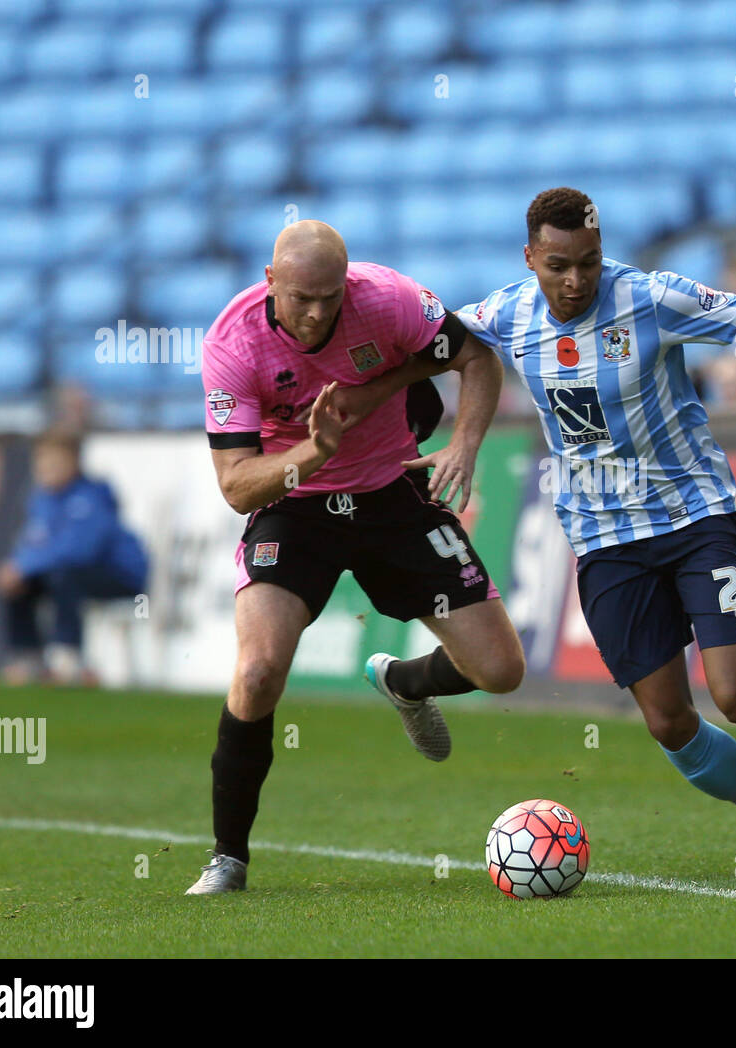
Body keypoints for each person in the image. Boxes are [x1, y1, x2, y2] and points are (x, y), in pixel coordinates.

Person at [336, 188, 736, 872]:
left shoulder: (652, 298)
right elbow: (422, 354)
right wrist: (350, 407)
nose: (575, 280)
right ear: (530, 257)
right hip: (604, 543)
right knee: (669, 721)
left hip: (695, 515)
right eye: (558, 264)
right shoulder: (504, 312)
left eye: (588, 262)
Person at [187, 220, 525, 895]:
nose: (317, 314)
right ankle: (228, 857)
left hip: (393, 489)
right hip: (295, 504)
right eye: (302, 298)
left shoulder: (390, 299)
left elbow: (476, 357)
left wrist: (464, 445)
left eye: (330, 297)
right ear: (270, 283)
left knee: (501, 671)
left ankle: (405, 683)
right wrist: (314, 452)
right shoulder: (231, 343)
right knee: (256, 673)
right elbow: (235, 486)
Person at [0, 429, 147, 686]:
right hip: (72, 574)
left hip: (120, 576)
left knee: (64, 575)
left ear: (74, 462)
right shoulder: (41, 500)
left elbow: (79, 551)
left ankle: (67, 656)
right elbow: (32, 543)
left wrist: (24, 566)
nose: (46, 469)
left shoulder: (91, 497)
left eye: (54, 462)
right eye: (42, 462)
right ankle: (27, 656)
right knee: (19, 583)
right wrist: (17, 568)